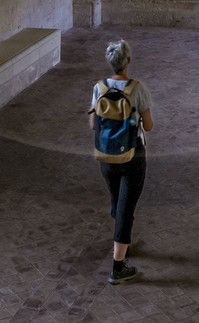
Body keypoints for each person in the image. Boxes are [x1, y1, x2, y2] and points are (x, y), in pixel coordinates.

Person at [88, 39, 154, 285]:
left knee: (118, 202)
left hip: (106, 155)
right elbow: (148, 125)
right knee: (126, 209)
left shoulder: (99, 88)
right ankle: (118, 267)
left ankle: (122, 242)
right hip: (132, 156)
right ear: (128, 62)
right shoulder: (137, 89)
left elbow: (94, 123)